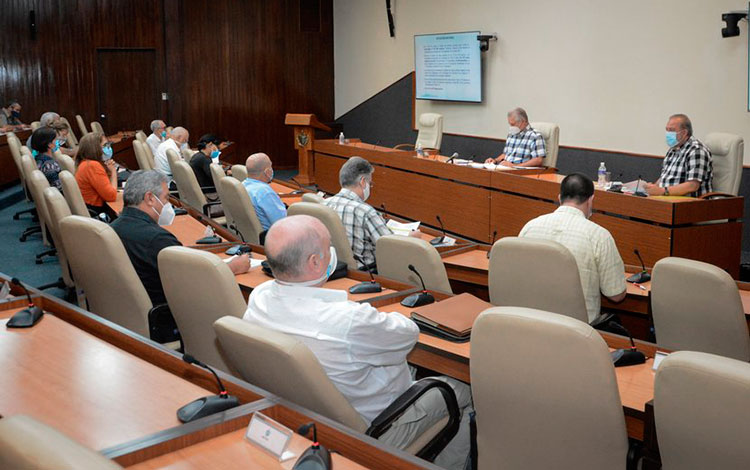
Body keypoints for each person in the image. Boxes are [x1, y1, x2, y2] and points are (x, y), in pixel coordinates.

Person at [243, 215, 472, 470]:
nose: (333, 253)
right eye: (328, 247)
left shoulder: (260, 297)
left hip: (308, 418)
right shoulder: (349, 321)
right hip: (380, 427)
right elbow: (407, 334)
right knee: (463, 389)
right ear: (315, 262)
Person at [111, 170, 250, 307]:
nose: (168, 204)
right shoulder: (158, 239)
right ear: (150, 198)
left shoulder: (112, 227)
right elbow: (193, 282)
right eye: (166, 198)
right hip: (168, 314)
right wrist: (232, 267)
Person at [519, 173, 626, 323]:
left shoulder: (530, 227)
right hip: (577, 331)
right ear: (591, 200)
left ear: (559, 198)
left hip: (531, 322)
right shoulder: (599, 236)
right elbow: (616, 295)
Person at [324, 156, 419, 270]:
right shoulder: (365, 211)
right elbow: (390, 249)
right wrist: (411, 238)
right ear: (363, 182)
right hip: (365, 274)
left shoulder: (324, 204)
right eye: (370, 183)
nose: (370, 186)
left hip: (333, 268)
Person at [644, 114, 713, 197]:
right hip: (669, 200)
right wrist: (653, 187)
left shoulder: (696, 150)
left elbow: (692, 186)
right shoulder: (673, 150)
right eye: (667, 130)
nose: (668, 134)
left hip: (691, 204)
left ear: (684, 133)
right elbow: (665, 177)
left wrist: (662, 191)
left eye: (671, 130)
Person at [74, 132, 118, 221]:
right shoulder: (92, 166)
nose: (108, 148)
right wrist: (113, 172)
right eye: (105, 145)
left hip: (91, 209)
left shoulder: (86, 162)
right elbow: (111, 196)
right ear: (95, 149)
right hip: (96, 214)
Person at [241, 152, 286, 231]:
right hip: (271, 236)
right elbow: (283, 223)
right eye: (271, 166)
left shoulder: (243, 185)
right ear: (267, 171)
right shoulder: (264, 192)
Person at [29, 126, 62, 190]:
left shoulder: (38, 159)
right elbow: (59, 188)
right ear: (49, 144)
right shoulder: (49, 165)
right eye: (55, 140)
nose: (57, 142)